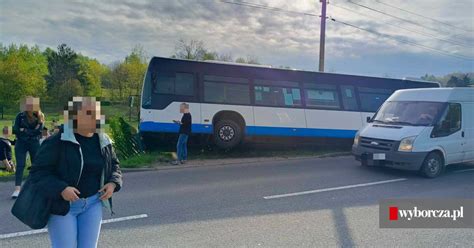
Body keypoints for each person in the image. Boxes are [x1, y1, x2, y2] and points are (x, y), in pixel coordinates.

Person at [29, 96, 122, 248]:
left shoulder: (103, 140)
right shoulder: (57, 141)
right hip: (63, 206)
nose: (96, 118)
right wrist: (61, 188)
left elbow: (114, 166)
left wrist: (113, 183)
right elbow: (38, 172)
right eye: (89, 113)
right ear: (74, 116)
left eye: (98, 113)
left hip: (93, 203)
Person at [12, 96, 44, 198]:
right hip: (21, 143)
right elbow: (15, 129)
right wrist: (29, 131)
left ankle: (35, 187)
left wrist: (24, 130)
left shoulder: (40, 116)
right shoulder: (20, 116)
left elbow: (38, 131)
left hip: (34, 143)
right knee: (20, 165)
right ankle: (17, 189)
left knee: (36, 165)